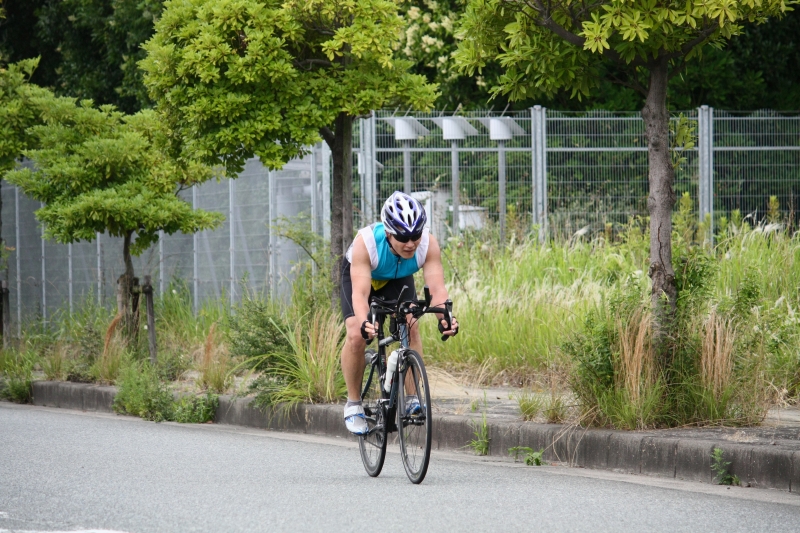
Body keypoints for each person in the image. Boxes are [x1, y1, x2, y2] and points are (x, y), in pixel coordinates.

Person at [340, 191, 459, 435]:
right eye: (403, 237)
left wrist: (445, 318)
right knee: (356, 334)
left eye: (415, 235)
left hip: (396, 278)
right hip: (361, 278)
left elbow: (437, 290)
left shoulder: (428, 244)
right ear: (388, 233)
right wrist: (364, 322)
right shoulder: (366, 243)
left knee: (411, 324)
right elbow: (360, 295)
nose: (411, 244)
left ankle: (412, 397)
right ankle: (353, 404)